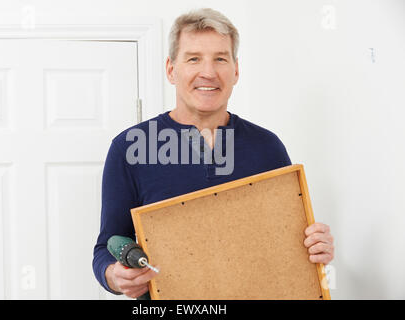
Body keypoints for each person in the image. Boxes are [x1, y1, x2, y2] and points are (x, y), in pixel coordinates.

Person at [93, 8, 334, 299]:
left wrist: (315, 246)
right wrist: (115, 277)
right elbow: (104, 248)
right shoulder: (130, 147)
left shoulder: (268, 147)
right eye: (193, 58)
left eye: (220, 58)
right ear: (171, 69)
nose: (208, 72)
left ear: (236, 70)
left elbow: (285, 243)